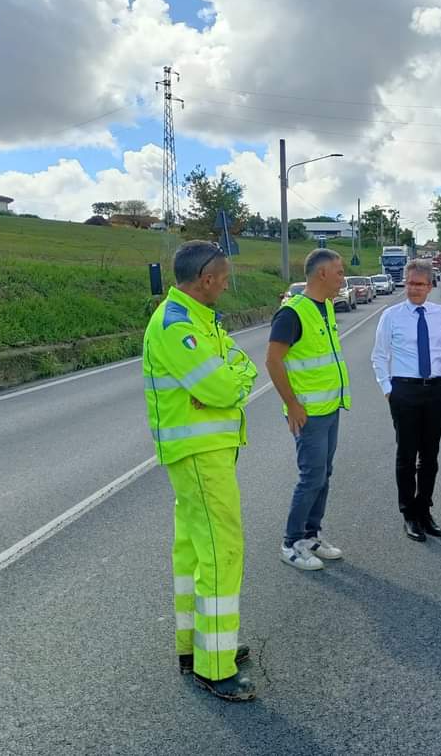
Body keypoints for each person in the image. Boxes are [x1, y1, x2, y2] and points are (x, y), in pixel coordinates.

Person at [142, 240, 258, 701]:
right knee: (221, 553)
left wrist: (230, 381)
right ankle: (215, 667)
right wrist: (229, 382)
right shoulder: (178, 325)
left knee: (192, 553)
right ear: (205, 278)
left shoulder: (201, 320)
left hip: (204, 451)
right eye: (224, 277)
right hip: (199, 454)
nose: (228, 284)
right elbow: (220, 384)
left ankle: (197, 648)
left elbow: (237, 370)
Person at [265, 249, 351, 571]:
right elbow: (273, 361)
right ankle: (291, 543)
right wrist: (291, 404)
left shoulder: (326, 307)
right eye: (340, 272)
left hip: (329, 409)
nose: (343, 278)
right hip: (308, 414)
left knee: (323, 475)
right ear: (321, 275)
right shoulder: (292, 313)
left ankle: (311, 535)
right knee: (311, 477)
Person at [371, 259, 441, 541]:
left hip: (435, 390)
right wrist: (387, 389)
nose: (414, 289)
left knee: (430, 455)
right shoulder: (391, 316)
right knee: (406, 454)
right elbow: (379, 355)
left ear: (430, 285)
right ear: (405, 282)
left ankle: (425, 509)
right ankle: (409, 514)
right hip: (404, 390)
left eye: (420, 284)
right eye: (411, 283)